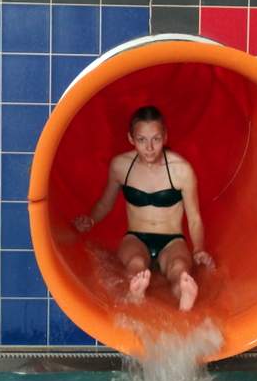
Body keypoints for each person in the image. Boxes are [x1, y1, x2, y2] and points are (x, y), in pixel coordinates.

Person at [74, 106, 214, 311]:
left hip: (172, 240)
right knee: (135, 263)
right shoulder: (121, 166)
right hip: (136, 237)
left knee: (179, 268)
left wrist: (199, 249)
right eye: (142, 140)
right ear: (131, 139)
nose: (149, 147)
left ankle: (184, 296)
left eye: (156, 139)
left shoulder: (181, 170)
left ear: (165, 137)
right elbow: (105, 203)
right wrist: (91, 220)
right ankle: (136, 293)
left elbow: (194, 219)